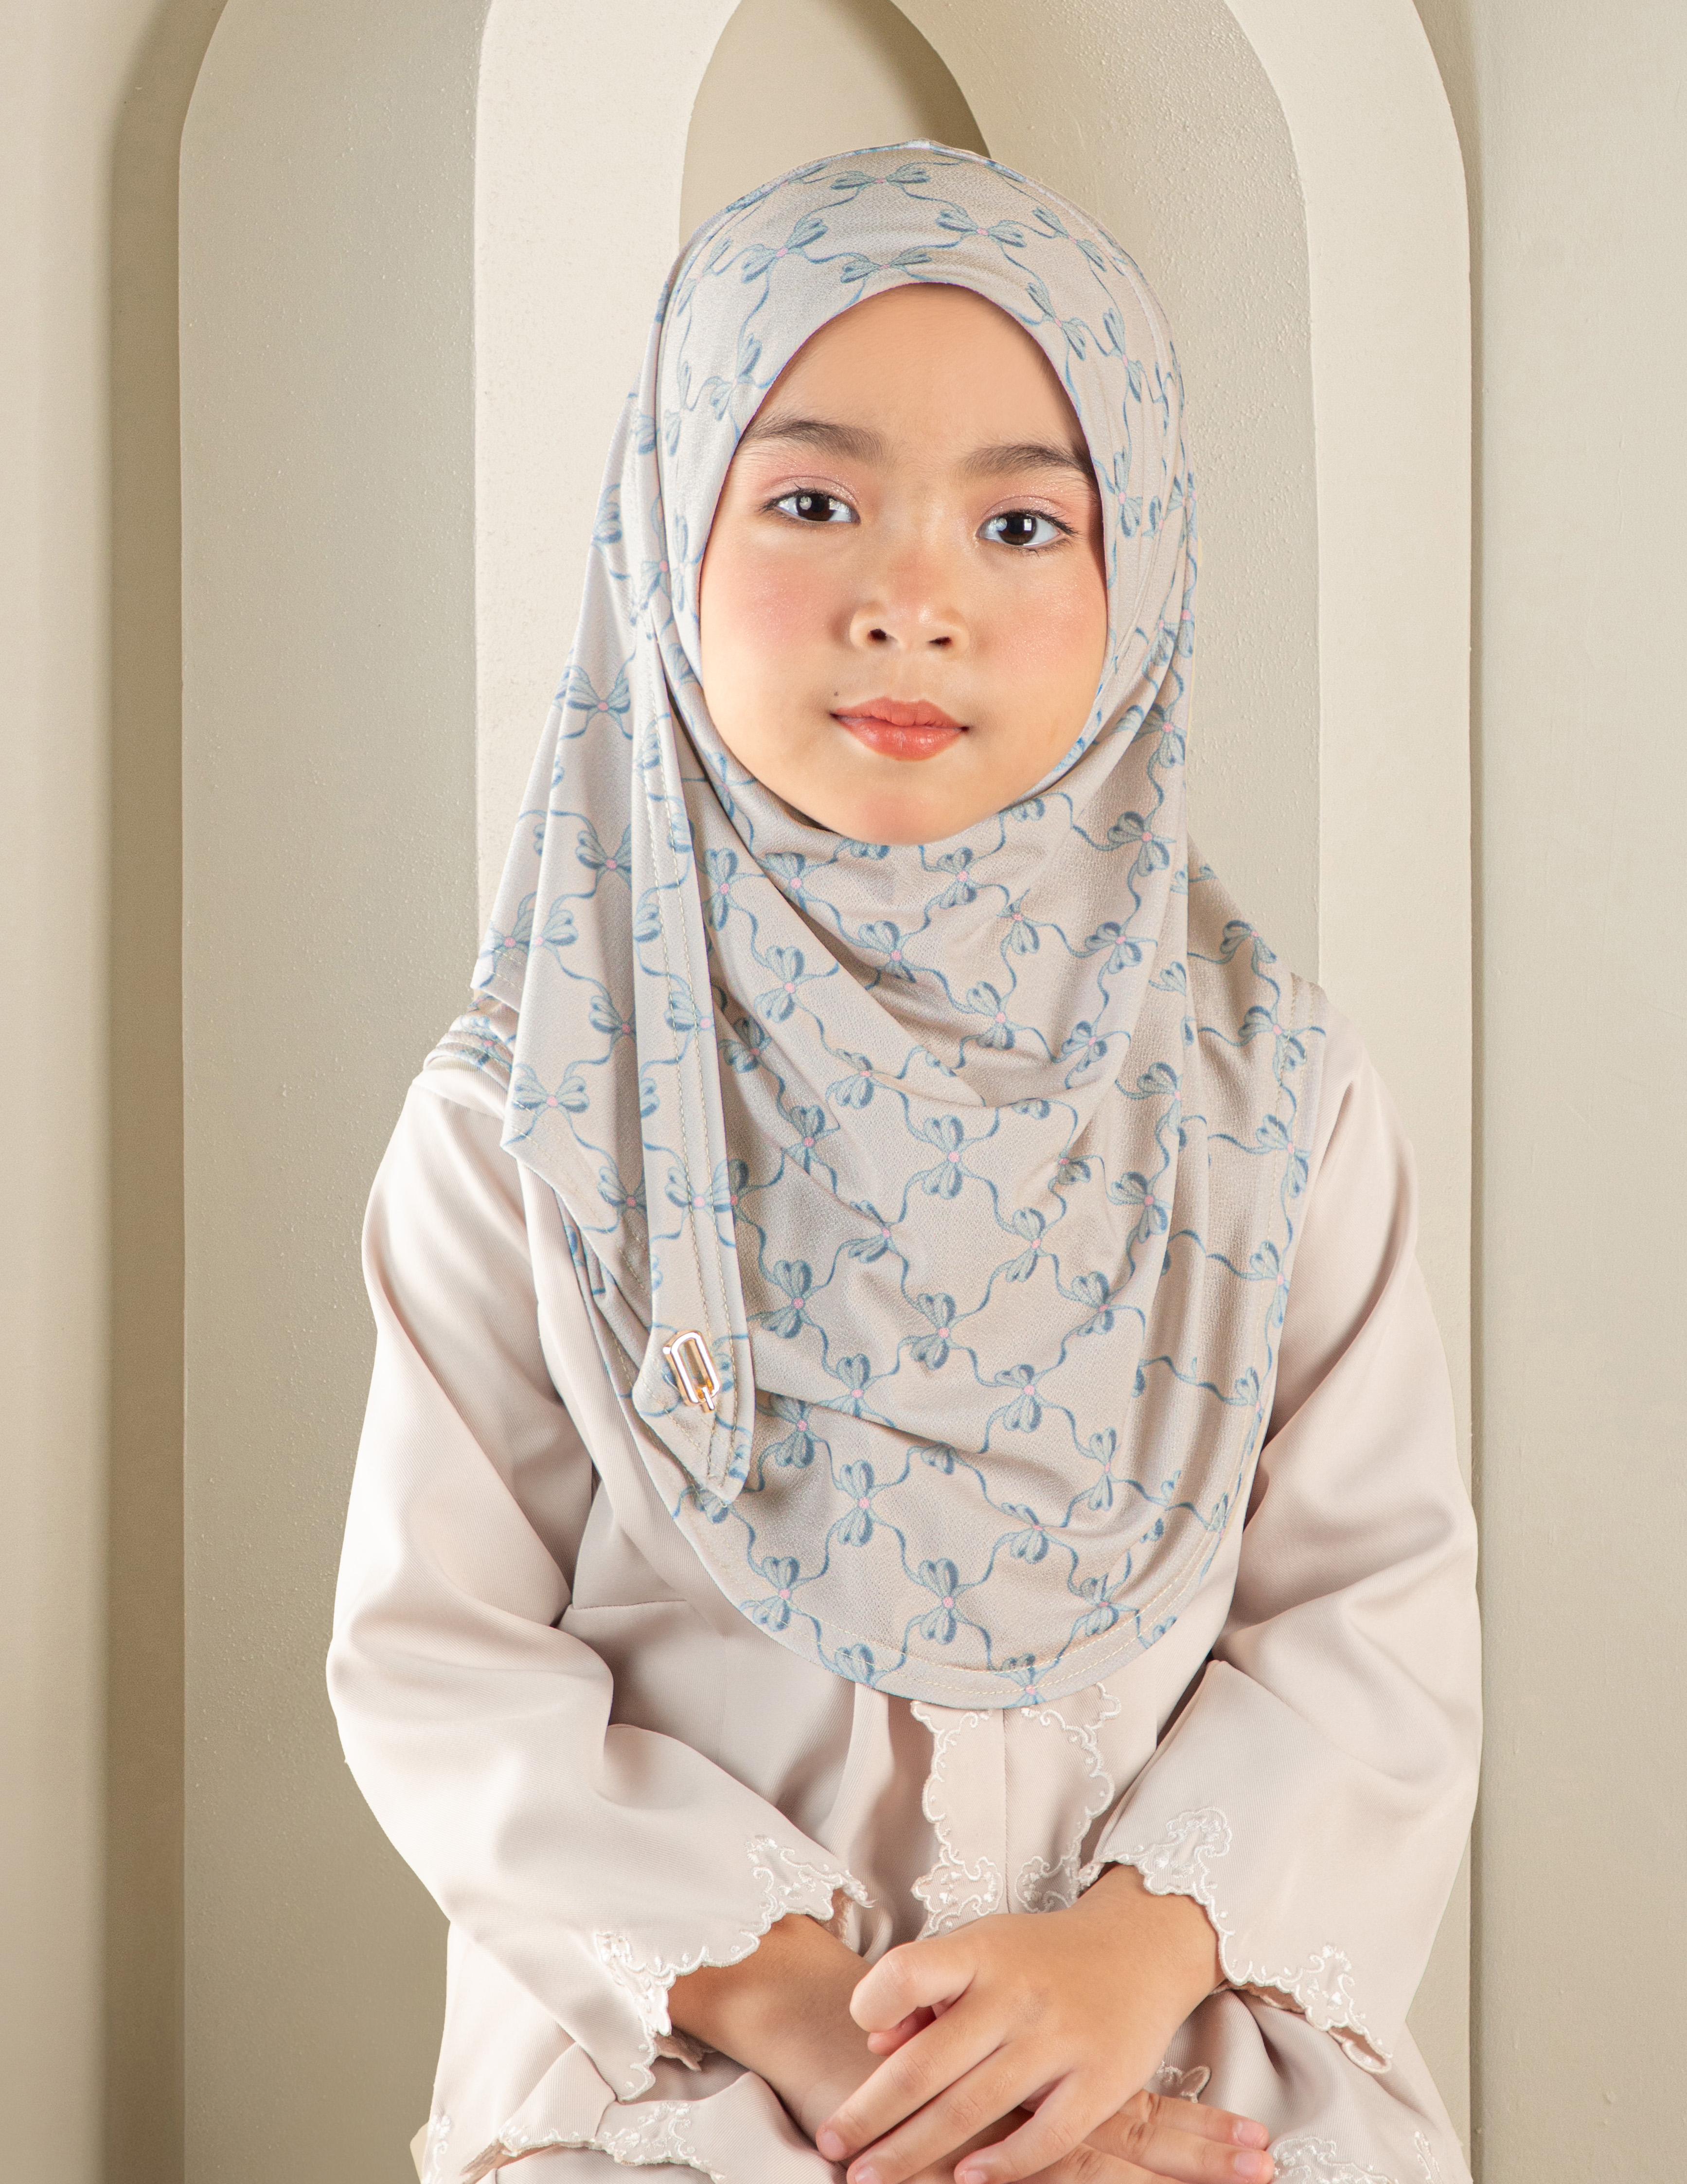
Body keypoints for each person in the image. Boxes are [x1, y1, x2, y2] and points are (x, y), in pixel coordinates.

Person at [327, 143, 1479, 2184]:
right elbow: (447, 1665)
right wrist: (839, 2049)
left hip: (1171, 2048)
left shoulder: (1266, 1100)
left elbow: (1369, 1615)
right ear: (665, 530)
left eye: (1023, 522)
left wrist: (1127, 1966)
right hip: (699, 2063)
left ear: (1141, 580)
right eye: (810, 501)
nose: (911, 599)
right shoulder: (539, 1120)